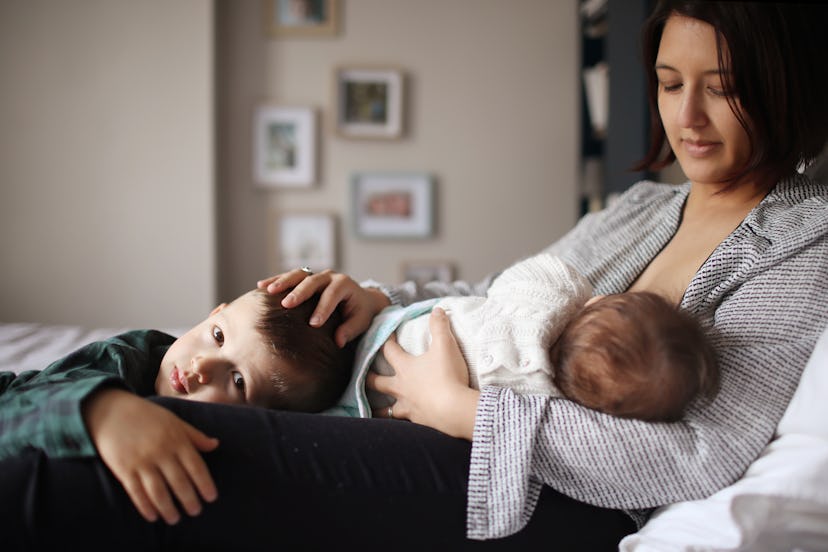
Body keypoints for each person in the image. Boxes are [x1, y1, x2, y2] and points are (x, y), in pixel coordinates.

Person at [1, 2, 826, 550]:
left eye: (723, 90)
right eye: (670, 83)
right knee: (154, 404)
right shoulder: (643, 207)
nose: (686, 118)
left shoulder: (805, 239)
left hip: (555, 491)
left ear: (787, 86)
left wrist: (467, 411)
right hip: (467, 421)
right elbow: (500, 297)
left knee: (198, 442)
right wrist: (381, 302)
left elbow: (700, 459)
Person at [0, 288, 353, 526]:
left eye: (238, 380)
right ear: (216, 312)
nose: (201, 367)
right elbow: (15, 406)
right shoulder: (125, 358)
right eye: (217, 336)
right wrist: (100, 409)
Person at [333, 252, 718, 423]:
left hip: (387, 331)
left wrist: (578, 297)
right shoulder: (539, 402)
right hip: (374, 400)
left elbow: (508, 281)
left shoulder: (548, 296)